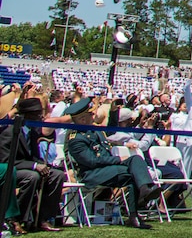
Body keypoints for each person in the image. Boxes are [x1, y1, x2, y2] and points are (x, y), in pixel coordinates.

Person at [64, 97, 161, 230]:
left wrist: (114, 111)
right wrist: (117, 159)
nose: (94, 115)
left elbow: (112, 130)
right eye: (90, 114)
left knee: (136, 159)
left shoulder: (94, 130)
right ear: (81, 119)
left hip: (107, 169)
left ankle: (144, 191)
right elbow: (91, 162)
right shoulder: (76, 139)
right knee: (132, 173)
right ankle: (138, 206)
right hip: (91, 174)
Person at [0, 97, 66, 232]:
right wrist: (34, 166)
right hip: (13, 170)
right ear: (26, 115)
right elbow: (6, 161)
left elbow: (34, 156)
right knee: (32, 177)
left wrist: (42, 164)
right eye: (36, 114)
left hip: (31, 167)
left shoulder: (33, 131)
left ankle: (43, 218)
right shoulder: (9, 133)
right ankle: (17, 218)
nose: (40, 117)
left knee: (57, 175)